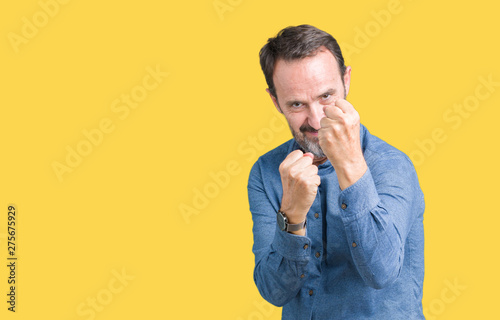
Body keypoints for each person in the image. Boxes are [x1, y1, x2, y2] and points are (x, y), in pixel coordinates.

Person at [247, 24, 425, 319]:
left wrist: (350, 165)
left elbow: (381, 272)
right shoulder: (267, 172)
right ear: (276, 102)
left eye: (326, 96)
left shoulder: (393, 165)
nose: (316, 120)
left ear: (346, 81)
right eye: (296, 104)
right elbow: (274, 291)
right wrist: (292, 216)